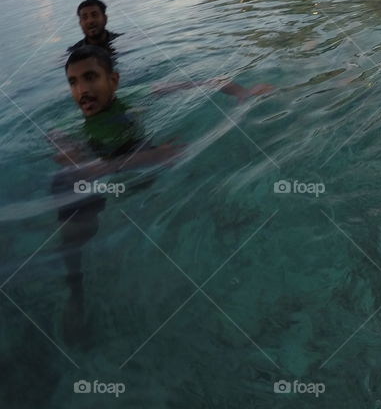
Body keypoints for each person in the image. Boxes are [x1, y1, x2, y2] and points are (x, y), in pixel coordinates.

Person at [50, 45, 272, 344]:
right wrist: (150, 158)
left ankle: (228, 232)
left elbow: (203, 83)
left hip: (143, 164)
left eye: (90, 77)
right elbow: (83, 172)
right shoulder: (61, 130)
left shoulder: (135, 97)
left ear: (113, 80)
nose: (82, 90)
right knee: (73, 220)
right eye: (73, 82)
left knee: (197, 186)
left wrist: (242, 92)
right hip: (113, 174)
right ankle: (76, 296)